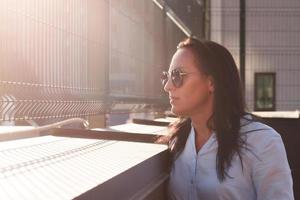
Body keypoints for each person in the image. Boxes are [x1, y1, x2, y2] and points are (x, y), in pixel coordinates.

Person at [158, 37, 294, 200]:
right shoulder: (177, 141)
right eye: (166, 76)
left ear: (211, 83)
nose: (168, 86)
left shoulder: (262, 143)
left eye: (178, 75)